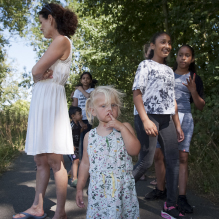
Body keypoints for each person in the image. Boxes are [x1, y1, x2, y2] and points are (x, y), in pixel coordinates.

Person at [13, 3, 78, 219]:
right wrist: (38, 74)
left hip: (51, 101)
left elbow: (35, 70)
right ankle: (37, 207)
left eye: (41, 22)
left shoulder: (61, 40)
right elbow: (38, 74)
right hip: (42, 100)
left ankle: (60, 212)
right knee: (40, 160)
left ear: (50, 19)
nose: (40, 27)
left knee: (54, 160)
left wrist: (38, 73)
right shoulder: (54, 44)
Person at [145, 45, 205, 214]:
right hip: (164, 117)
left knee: (182, 158)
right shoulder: (167, 73)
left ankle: (182, 197)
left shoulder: (194, 78)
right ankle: (161, 189)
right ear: (176, 57)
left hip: (184, 118)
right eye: (180, 55)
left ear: (191, 59)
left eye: (187, 55)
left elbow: (200, 106)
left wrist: (193, 91)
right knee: (158, 154)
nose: (183, 58)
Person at [132, 32, 185, 219]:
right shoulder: (145, 65)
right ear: (152, 45)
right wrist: (145, 119)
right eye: (163, 42)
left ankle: (170, 206)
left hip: (166, 119)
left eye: (169, 43)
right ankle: (118, 192)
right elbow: (137, 93)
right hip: (148, 116)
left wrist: (177, 125)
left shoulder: (170, 70)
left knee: (173, 161)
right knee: (146, 161)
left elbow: (173, 101)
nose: (167, 46)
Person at [76, 86, 141, 218]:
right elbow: (85, 164)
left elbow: (135, 150)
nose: (110, 109)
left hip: (122, 190)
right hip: (99, 191)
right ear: (93, 111)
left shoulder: (125, 128)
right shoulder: (89, 136)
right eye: (103, 106)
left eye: (113, 105)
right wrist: (79, 187)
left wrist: (122, 128)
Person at [71, 72, 98, 159]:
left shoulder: (93, 91)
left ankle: (85, 160)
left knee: (85, 139)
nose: (85, 80)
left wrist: (81, 90)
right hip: (78, 118)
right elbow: (75, 106)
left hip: (88, 118)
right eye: (83, 78)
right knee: (77, 140)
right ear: (81, 80)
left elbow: (89, 97)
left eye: (87, 78)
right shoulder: (76, 91)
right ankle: (77, 160)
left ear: (90, 80)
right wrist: (79, 121)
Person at [68, 106, 85, 188]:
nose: (81, 115)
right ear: (73, 116)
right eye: (79, 114)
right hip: (71, 147)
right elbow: (67, 135)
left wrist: (81, 123)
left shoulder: (78, 124)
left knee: (76, 161)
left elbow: (80, 130)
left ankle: (69, 174)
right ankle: (74, 179)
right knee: (75, 160)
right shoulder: (71, 125)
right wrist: (71, 145)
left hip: (76, 147)